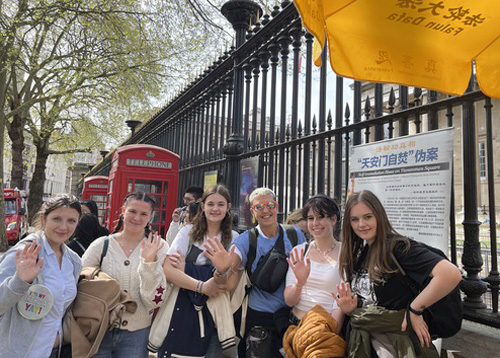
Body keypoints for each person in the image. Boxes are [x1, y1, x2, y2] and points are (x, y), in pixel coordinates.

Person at [334, 190, 462, 358]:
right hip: (366, 341)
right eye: (354, 219)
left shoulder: (399, 248)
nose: (361, 224)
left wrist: (415, 310)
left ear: (379, 216)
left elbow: (451, 274)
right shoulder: (364, 252)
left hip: (397, 345)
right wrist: (351, 308)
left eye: (368, 217)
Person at [154, 184, 239, 358]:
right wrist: (203, 285)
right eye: (210, 204)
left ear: (228, 207)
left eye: (221, 204)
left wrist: (187, 269)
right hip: (183, 309)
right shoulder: (187, 233)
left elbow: (229, 284)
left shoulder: (235, 238)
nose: (215, 209)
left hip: (216, 316)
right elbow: (169, 270)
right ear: (202, 206)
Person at [82, 192, 169, 358]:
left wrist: (149, 264)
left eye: (144, 214)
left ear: (151, 217)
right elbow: (79, 280)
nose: (137, 218)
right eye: (132, 211)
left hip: (137, 334)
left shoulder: (160, 247)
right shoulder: (102, 245)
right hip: (99, 330)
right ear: (123, 211)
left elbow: (153, 301)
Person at [227, 187, 306, 358]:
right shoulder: (246, 239)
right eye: (259, 207)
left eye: (270, 205)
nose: (265, 211)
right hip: (259, 318)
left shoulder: (294, 234)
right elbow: (230, 266)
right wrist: (223, 266)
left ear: (277, 206)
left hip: (290, 316)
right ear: (252, 211)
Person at [0, 194, 82, 358]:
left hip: (50, 350)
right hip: (17, 352)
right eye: (57, 219)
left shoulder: (74, 261)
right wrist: (20, 281)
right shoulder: (25, 252)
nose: (63, 227)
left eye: (71, 221)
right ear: (44, 219)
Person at [282, 194, 345, 357]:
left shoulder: (345, 254)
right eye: (310, 218)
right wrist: (299, 283)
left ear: (333, 219)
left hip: (324, 331)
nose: (315, 223)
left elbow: (341, 300)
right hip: (296, 327)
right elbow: (289, 300)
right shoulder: (299, 251)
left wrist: (329, 331)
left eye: (321, 217)